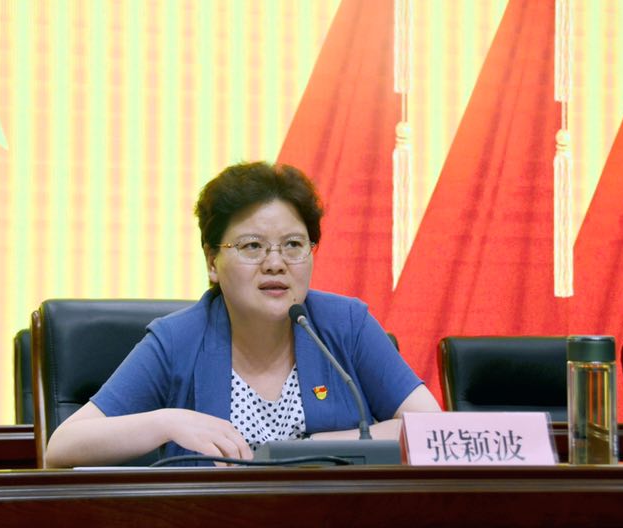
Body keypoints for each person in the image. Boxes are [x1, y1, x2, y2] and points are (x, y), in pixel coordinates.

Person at [45, 161, 440, 468]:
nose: (275, 263)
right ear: (212, 262)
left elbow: (433, 429)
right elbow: (61, 448)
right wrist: (167, 422)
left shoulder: (345, 324)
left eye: (293, 245)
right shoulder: (178, 341)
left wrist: (309, 449)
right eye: (252, 246)